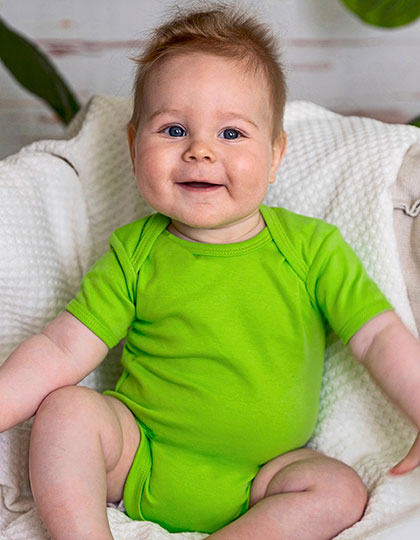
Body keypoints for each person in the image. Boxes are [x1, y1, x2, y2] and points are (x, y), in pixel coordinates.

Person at [1, 3, 420, 540]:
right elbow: (62, 349)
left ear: (275, 155)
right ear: (133, 147)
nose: (200, 151)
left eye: (231, 134)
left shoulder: (311, 248)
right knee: (66, 412)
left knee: (340, 491)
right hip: (139, 456)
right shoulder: (135, 253)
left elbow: (378, 335)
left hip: (264, 476)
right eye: (174, 129)